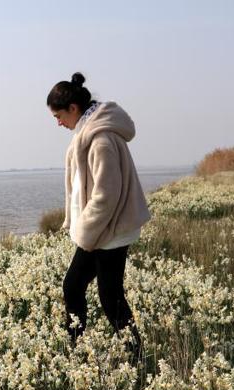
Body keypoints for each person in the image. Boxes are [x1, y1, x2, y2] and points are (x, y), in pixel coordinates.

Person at [47, 72, 151, 361]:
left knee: (104, 295)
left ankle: (129, 356)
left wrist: (85, 235)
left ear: (73, 109)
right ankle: (82, 350)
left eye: (58, 116)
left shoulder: (100, 140)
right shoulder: (90, 133)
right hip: (105, 231)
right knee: (87, 288)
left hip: (108, 232)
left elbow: (105, 196)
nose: (58, 123)